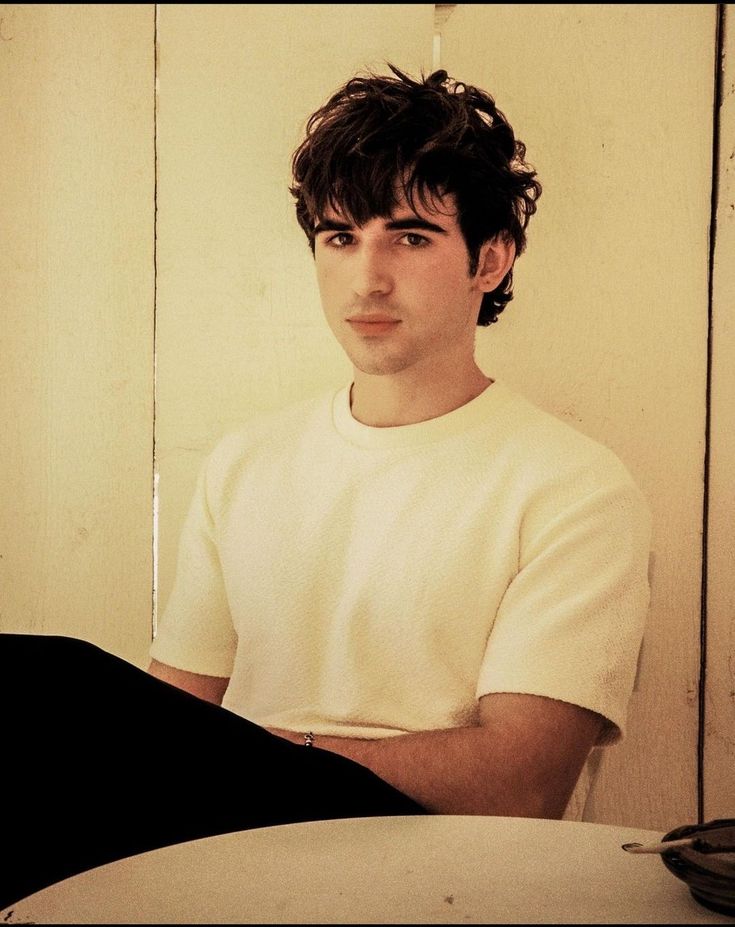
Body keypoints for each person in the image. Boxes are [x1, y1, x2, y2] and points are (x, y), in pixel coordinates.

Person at [1, 65, 651, 910]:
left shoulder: (573, 485)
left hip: (434, 869)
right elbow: (162, 721)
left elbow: (518, 783)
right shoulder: (247, 461)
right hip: (217, 855)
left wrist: (267, 752)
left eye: (409, 237)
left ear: (489, 259)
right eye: (340, 237)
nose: (366, 278)